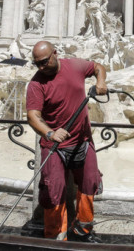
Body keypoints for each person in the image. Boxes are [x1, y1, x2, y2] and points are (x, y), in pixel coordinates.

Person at [27, 41, 107, 242]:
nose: (42, 67)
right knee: (53, 192)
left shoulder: (75, 66)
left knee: (90, 183)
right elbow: (33, 116)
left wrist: (101, 82)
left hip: (82, 140)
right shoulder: (36, 84)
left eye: (44, 62)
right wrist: (49, 133)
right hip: (54, 146)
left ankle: (83, 229)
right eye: (37, 64)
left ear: (55, 54)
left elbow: (98, 67)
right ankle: (55, 236)